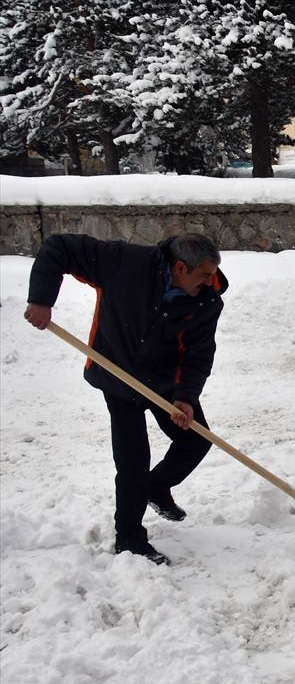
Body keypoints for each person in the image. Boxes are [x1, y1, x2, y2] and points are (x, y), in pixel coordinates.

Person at [25, 233, 228, 566]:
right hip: (118, 376)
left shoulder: (207, 301)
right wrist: (42, 298)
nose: (210, 282)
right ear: (180, 267)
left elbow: (198, 354)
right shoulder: (124, 263)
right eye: (203, 275)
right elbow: (58, 247)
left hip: (164, 381)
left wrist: (186, 398)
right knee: (132, 461)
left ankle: (155, 487)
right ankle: (130, 539)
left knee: (196, 440)